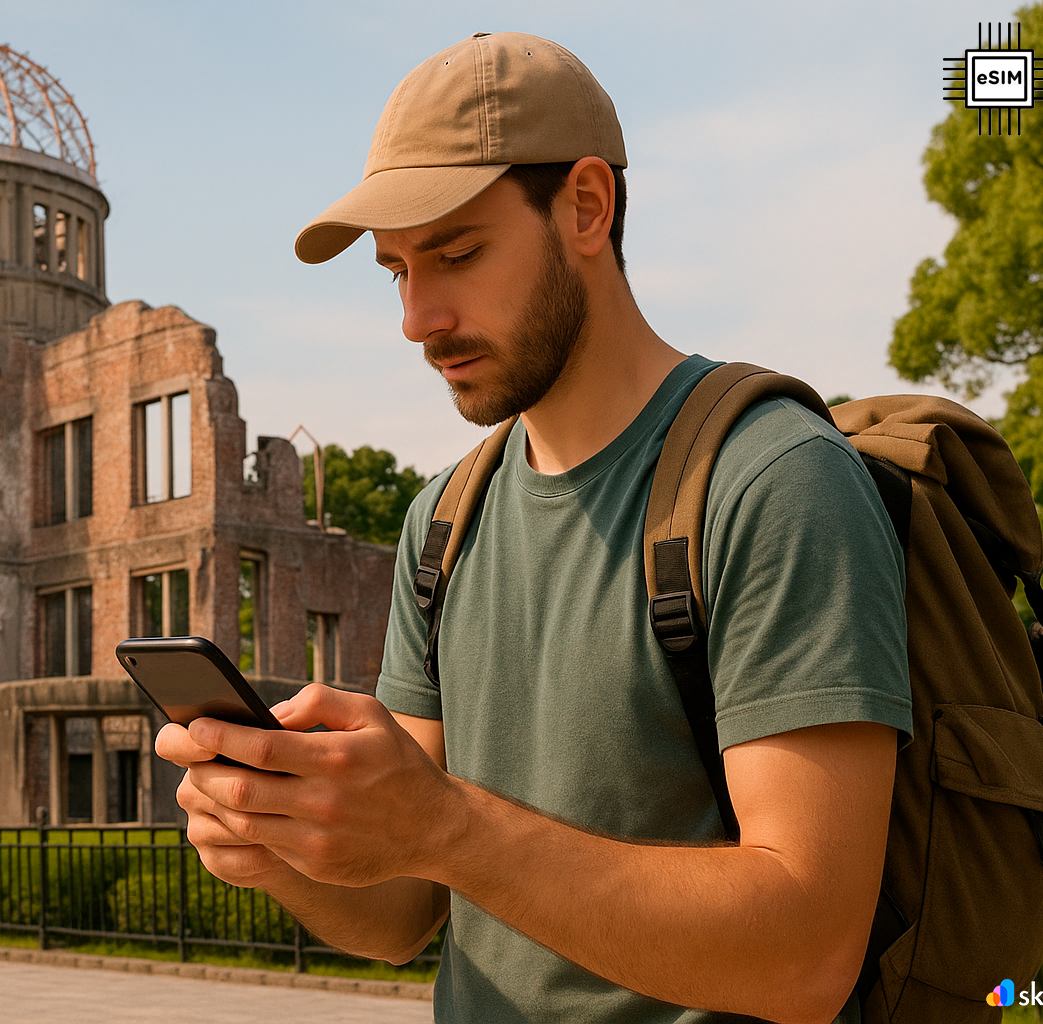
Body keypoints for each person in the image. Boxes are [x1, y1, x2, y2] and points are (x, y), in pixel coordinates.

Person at [155, 32, 913, 1024]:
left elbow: (809, 953)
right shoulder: (445, 521)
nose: (417, 318)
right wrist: (280, 836)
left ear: (588, 207)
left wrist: (450, 826)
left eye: (459, 252)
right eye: (396, 271)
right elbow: (401, 913)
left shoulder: (773, 480)